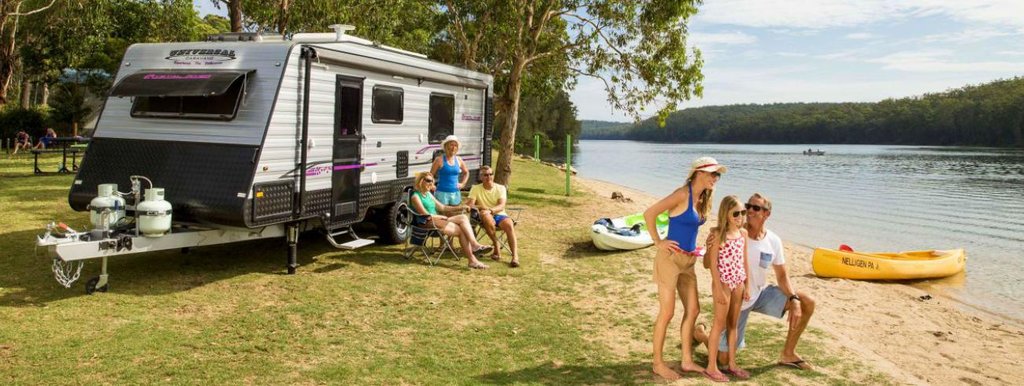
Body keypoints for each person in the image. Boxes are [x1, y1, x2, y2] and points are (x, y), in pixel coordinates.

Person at [695, 193, 817, 372]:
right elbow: (708, 264)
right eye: (748, 206)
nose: (749, 211)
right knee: (723, 360)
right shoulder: (729, 231)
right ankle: (700, 334)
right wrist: (709, 246)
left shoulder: (773, 241)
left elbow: (782, 276)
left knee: (807, 302)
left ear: (767, 214)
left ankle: (788, 353)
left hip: (759, 294)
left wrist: (793, 298)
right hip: (736, 298)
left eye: (756, 208)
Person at [643, 156, 726, 380]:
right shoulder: (682, 194)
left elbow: (690, 227)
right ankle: (658, 364)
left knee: (694, 309)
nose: (715, 178)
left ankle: (687, 360)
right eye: (712, 174)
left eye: (717, 174)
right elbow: (649, 214)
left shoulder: (704, 198)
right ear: (698, 173)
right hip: (669, 260)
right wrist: (659, 241)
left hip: (689, 261)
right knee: (667, 312)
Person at [703, 195, 751, 382]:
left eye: (743, 212)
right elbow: (713, 265)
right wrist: (720, 289)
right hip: (722, 282)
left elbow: (744, 261)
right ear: (726, 213)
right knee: (719, 324)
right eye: (736, 213)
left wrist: (746, 285)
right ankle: (711, 367)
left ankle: (732, 364)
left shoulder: (743, 233)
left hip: (738, 281)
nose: (741, 216)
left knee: (733, 324)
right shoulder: (717, 234)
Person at [410, 171, 492, 269]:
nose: (431, 184)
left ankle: (474, 246)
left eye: (432, 181)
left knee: (463, 217)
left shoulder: (428, 194)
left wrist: (460, 207)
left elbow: (442, 207)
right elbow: (424, 214)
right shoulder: (415, 196)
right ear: (420, 181)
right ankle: (472, 259)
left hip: (438, 220)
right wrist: (439, 217)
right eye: (428, 181)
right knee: (462, 230)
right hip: (426, 223)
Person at [466, 165, 520, 267]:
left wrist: (490, 210)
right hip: (485, 217)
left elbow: (501, 205)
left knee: (509, 224)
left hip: (499, 214)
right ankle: (496, 245)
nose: (489, 177)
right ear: (481, 177)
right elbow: (470, 204)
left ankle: (515, 257)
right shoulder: (475, 188)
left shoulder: (500, 188)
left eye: (491, 174)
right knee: (485, 216)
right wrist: (481, 207)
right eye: (486, 175)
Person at [430, 135, 469, 205]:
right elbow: (430, 175)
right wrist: (431, 185)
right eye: (451, 145)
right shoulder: (439, 160)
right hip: (442, 193)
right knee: (443, 215)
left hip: (455, 193)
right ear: (445, 146)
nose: (453, 148)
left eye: (455, 146)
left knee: (455, 214)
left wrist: (463, 184)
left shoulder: (459, 159)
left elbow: (466, 172)